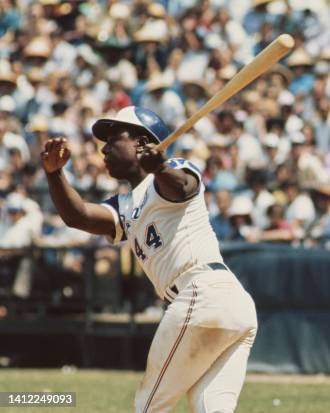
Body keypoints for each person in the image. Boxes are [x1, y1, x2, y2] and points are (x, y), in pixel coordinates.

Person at [40, 106, 257, 413]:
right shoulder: (125, 204)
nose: (105, 147)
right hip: (225, 303)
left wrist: (161, 167)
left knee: (149, 406)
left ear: (142, 142)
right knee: (211, 407)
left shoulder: (172, 171)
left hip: (202, 293)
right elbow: (79, 216)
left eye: (115, 138)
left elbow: (181, 186)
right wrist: (54, 173)